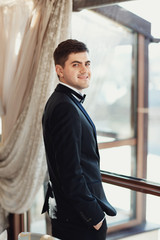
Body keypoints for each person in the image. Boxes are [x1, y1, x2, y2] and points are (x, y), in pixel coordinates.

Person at [42, 39, 117, 240]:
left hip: (71, 214)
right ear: (60, 70)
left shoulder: (62, 101)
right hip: (79, 219)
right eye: (76, 64)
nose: (84, 69)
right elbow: (70, 172)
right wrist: (94, 217)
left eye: (87, 63)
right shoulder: (65, 107)